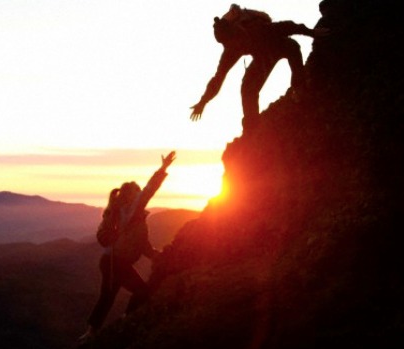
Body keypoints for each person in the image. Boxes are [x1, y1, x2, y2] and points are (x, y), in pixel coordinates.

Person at [78, 151, 176, 344]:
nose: (140, 194)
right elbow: (149, 190)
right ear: (132, 196)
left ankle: (92, 332)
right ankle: (121, 321)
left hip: (112, 260)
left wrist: (154, 255)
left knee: (109, 294)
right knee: (136, 292)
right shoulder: (130, 211)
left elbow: (140, 244)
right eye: (137, 192)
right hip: (116, 262)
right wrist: (163, 168)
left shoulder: (122, 214)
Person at [190, 4, 329, 129]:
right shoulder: (230, 51)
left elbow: (287, 26)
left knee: (292, 46)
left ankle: (299, 88)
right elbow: (218, 79)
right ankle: (252, 125)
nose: (236, 46)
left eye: (236, 42)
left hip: (275, 44)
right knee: (247, 88)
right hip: (262, 57)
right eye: (229, 45)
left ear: (237, 33)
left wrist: (312, 32)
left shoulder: (256, 29)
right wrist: (203, 102)